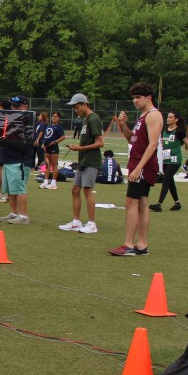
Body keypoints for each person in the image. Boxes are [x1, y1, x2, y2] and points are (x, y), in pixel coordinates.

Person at [110, 82, 163, 256]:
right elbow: (132, 140)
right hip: (139, 164)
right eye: (133, 98)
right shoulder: (143, 116)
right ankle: (141, 245)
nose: (135, 101)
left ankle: (129, 245)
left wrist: (139, 167)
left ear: (148, 98)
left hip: (143, 166)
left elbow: (153, 144)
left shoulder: (153, 115)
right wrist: (123, 125)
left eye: (138, 97)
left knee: (131, 203)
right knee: (141, 203)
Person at [59, 93, 104, 234]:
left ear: (85, 104)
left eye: (77, 107)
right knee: (75, 189)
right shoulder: (85, 120)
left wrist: (80, 148)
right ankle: (76, 222)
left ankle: (91, 224)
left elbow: (100, 143)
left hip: (91, 160)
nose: (75, 110)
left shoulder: (93, 119)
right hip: (83, 160)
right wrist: (78, 148)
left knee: (87, 190)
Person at [150, 110, 188, 212]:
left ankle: (159, 204)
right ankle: (177, 203)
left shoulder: (179, 131)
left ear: (176, 119)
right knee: (170, 182)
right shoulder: (164, 130)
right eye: (168, 117)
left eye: (171, 117)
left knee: (165, 180)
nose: (168, 119)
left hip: (175, 160)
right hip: (166, 159)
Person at [40, 112, 65, 189]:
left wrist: (54, 142)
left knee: (54, 165)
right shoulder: (49, 125)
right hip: (47, 147)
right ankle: (45, 181)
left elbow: (63, 137)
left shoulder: (59, 126)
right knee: (47, 165)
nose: (54, 117)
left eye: (55, 116)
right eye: (53, 116)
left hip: (54, 148)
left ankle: (54, 183)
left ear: (58, 118)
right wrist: (43, 144)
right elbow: (46, 136)